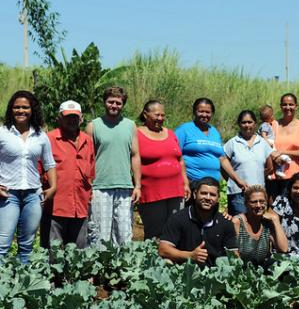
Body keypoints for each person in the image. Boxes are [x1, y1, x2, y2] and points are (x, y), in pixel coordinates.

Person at [0, 91, 56, 263]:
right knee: (3, 244)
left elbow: (49, 164)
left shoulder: (40, 136)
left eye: (25, 107)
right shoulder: (2, 133)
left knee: (27, 245)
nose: (21, 111)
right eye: (17, 107)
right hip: (8, 194)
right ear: (11, 109)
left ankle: (22, 285)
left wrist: (53, 187)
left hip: (33, 195)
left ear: (32, 110)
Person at [86, 86, 141, 245]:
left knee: (124, 235)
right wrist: (88, 185)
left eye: (118, 103)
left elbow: (135, 155)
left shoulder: (130, 126)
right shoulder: (93, 126)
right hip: (100, 186)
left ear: (123, 104)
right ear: (105, 103)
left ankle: (121, 268)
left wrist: (137, 185)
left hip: (124, 186)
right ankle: (99, 269)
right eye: (111, 102)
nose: (114, 106)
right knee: (99, 235)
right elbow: (87, 158)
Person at [41, 100, 94, 249]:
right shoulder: (49, 139)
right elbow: (39, 169)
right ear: (59, 117)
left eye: (75, 117)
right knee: (53, 253)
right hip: (55, 206)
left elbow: (91, 169)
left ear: (81, 118)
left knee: (79, 253)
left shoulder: (87, 141)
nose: (72, 120)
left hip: (80, 207)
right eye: (68, 117)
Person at [137, 100, 190, 240]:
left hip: (176, 191)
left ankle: (172, 260)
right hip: (152, 193)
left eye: (162, 115)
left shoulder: (170, 133)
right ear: (145, 114)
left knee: (174, 231)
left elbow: (180, 159)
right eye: (156, 115)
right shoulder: (136, 134)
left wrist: (185, 183)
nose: (160, 118)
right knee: (154, 234)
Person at [159, 177, 238, 265]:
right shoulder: (178, 218)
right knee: (166, 262)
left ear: (218, 198)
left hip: (216, 274)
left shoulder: (225, 222)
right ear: (195, 194)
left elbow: (234, 255)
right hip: (184, 272)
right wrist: (190, 255)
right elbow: (163, 249)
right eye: (204, 193)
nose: (208, 198)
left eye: (212, 195)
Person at [175, 97, 246, 190]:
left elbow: (222, 159)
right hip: (191, 183)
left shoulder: (214, 132)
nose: (204, 115)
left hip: (212, 185)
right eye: (201, 111)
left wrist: (237, 179)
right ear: (194, 112)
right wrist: (184, 182)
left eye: (208, 112)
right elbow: (175, 156)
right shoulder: (184, 130)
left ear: (212, 113)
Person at [224, 110, 273, 215]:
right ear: (239, 124)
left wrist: (257, 176)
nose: (247, 125)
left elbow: (270, 168)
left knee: (257, 225)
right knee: (239, 225)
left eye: (250, 122)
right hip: (238, 194)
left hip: (258, 194)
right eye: (244, 122)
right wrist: (234, 180)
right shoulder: (232, 143)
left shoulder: (263, 143)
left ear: (255, 123)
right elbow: (223, 166)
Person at [232, 185, 288, 266]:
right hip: (243, 272)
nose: (258, 205)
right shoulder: (237, 222)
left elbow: (284, 248)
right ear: (246, 203)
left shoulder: (267, 223)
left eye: (262, 201)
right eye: (254, 202)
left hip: (263, 272)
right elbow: (235, 257)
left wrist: (275, 220)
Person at [267, 93, 299, 200]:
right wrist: (274, 156)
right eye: (285, 104)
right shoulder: (274, 124)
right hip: (274, 175)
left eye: (291, 104)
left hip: (294, 177)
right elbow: (266, 146)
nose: (288, 107)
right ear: (281, 106)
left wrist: (282, 152)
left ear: (296, 106)